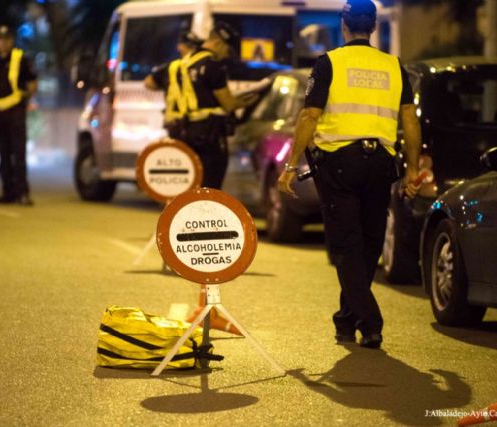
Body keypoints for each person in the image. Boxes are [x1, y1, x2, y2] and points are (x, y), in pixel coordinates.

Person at [278, 0, 421, 349]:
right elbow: (409, 120)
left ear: (344, 24)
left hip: (340, 163)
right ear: (373, 26)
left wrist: (291, 165)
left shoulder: (330, 62)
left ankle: (370, 322)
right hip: (381, 163)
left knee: (345, 245)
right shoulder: (393, 65)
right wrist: (413, 169)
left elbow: (309, 117)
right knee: (368, 244)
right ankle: (346, 320)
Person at [146, 22, 257, 189]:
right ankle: (204, 214)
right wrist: (246, 101)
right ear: (219, 43)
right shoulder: (213, 65)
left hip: (178, 132)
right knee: (209, 185)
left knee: (185, 184)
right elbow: (227, 104)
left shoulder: (176, 66)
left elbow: (148, 83)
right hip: (207, 136)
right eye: (228, 50)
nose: (227, 56)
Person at [0, 25, 38, 205]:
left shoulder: (21, 58)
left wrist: (25, 99)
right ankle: (8, 192)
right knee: (3, 154)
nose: (3, 42)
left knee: (19, 153)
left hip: (15, 110)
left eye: (6, 39)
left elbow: (32, 84)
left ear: (12, 41)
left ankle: (22, 192)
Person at [145, 31, 204, 138]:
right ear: (179, 47)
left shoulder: (171, 67)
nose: (192, 49)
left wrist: (167, 86)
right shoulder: (202, 66)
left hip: (175, 124)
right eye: (189, 46)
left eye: (193, 46)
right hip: (197, 124)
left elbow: (148, 83)